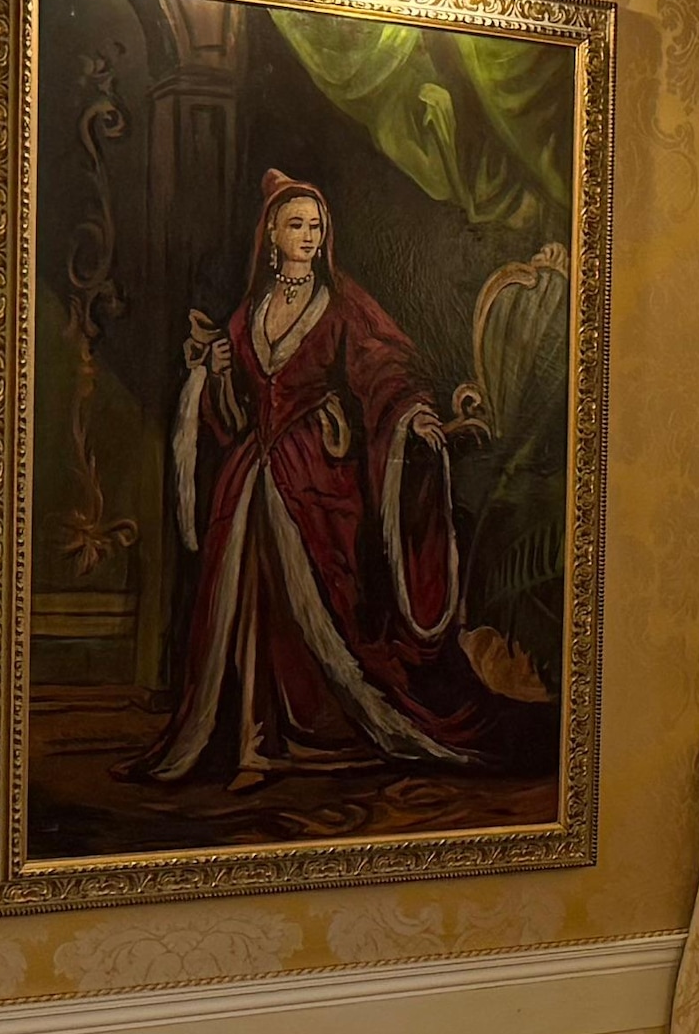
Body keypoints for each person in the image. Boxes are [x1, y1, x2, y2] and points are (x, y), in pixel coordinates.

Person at [142, 169, 503, 787]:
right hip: (250, 479)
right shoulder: (249, 313)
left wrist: (412, 416)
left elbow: (385, 367)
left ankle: (313, 725)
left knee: (317, 603)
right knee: (246, 595)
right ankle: (253, 737)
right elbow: (231, 417)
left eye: (316, 225)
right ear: (272, 236)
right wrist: (216, 371)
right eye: (296, 225)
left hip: (317, 480)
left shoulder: (340, 305)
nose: (309, 235)